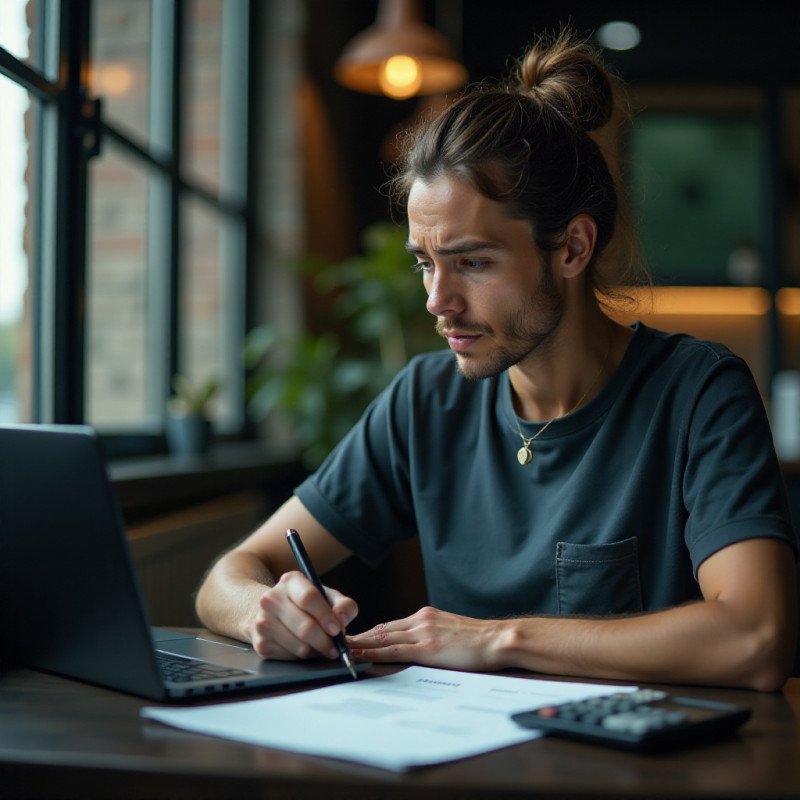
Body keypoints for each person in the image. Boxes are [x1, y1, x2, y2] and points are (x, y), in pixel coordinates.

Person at [196, 30, 798, 691]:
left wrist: (493, 640)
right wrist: (268, 611)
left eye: (472, 263)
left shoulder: (698, 394)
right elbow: (230, 573)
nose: (437, 301)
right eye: (425, 263)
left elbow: (755, 637)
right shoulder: (424, 399)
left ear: (571, 248)